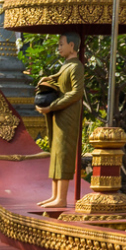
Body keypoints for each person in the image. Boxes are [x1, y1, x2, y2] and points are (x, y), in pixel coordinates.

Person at [33, 33, 85, 210]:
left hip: (68, 114)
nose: (59, 47)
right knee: (56, 153)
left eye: (61, 44)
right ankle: (55, 195)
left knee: (63, 154)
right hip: (58, 114)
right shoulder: (65, 66)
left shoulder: (76, 67)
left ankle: (61, 198)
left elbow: (77, 92)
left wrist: (53, 105)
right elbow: (57, 81)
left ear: (72, 45)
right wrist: (46, 81)